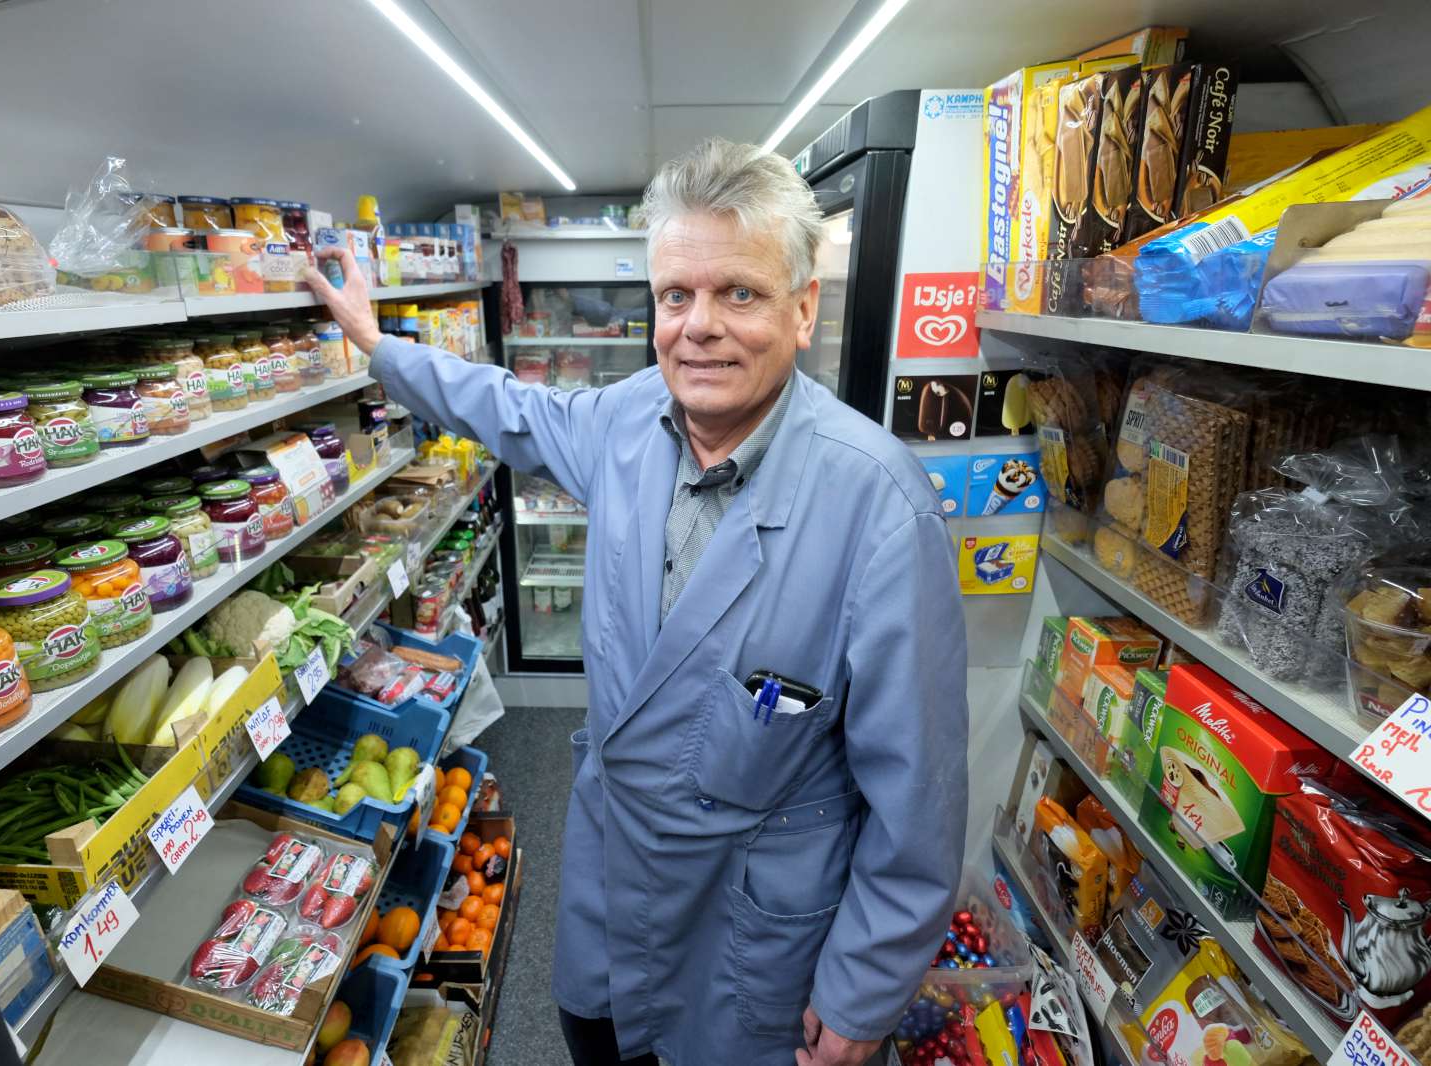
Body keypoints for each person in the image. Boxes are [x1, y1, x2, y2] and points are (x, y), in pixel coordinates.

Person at [305, 138, 967, 1066]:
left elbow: (919, 800)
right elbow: (505, 406)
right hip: (611, 890)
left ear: (804, 307)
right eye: (674, 295)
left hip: (750, 934)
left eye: (739, 292)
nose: (699, 327)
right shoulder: (624, 421)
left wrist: (863, 993)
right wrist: (380, 346)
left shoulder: (879, 505)